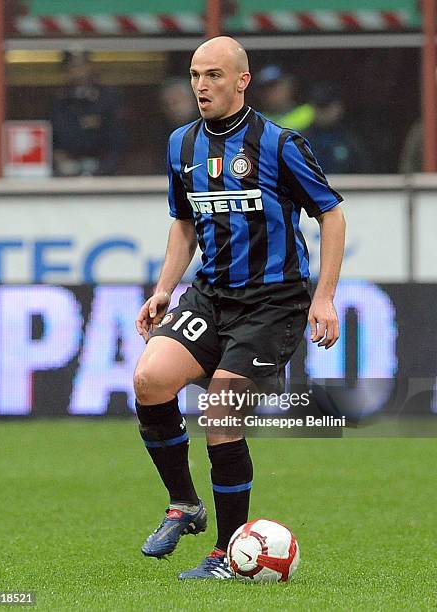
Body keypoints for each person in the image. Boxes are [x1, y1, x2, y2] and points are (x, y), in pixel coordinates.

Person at [134, 36, 345, 580]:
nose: (201, 86)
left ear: (241, 81)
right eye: (195, 75)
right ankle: (184, 503)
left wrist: (323, 297)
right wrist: (163, 288)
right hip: (212, 293)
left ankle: (227, 554)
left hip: (274, 302)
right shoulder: (181, 144)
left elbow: (331, 215)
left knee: (221, 411)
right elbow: (183, 224)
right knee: (150, 380)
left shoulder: (279, 145)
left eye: (213, 76)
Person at [51, 51, 127, 176]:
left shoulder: (108, 98)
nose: (77, 72)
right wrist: (57, 155)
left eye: (81, 66)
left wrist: (106, 165)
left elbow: (117, 137)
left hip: (103, 170)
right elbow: (55, 135)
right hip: (67, 170)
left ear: (90, 67)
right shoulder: (59, 101)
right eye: (71, 67)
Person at [303, 82, 369, 174]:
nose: (323, 112)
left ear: (339, 107)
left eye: (326, 106)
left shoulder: (350, 141)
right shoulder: (301, 140)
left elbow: (363, 174)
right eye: (318, 106)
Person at [256, 64, 314, 131]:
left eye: (274, 86)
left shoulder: (310, 113)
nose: (269, 93)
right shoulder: (258, 122)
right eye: (264, 89)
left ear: (288, 85)